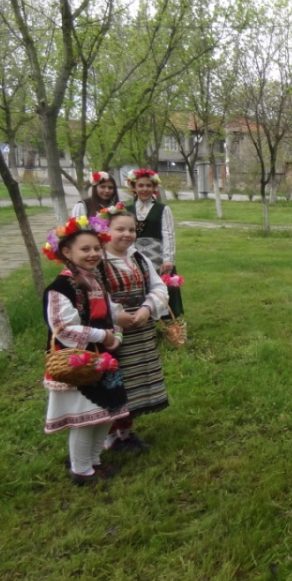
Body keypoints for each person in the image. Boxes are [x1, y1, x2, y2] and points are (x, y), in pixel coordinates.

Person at [41, 216, 128, 485]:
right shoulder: (61, 287)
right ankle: (81, 470)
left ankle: (94, 461)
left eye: (96, 248)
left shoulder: (94, 279)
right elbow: (63, 328)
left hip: (103, 358)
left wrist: (117, 336)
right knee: (85, 419)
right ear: (66, 252)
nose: (93, 254)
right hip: (78, 362)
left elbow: (111, 313)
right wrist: (104, 336)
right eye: (85, 249)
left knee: (106, 412)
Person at [97, 204, 170, 452]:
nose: (127, 235)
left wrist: (146, 308)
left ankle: (126, 434)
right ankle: (108, 438)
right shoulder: (98, 262)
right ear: (106, 230)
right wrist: (116, 314)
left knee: (134, 385)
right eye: (120, 229)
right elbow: (93, 295)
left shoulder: (139, 258)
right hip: (111, 336)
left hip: (140, 331)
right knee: (113, 385)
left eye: (131, 230)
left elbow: (159, 287)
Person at [127, 169, 184, 318]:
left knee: (162, 288)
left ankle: (169, 322)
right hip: (136, 257)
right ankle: (142, 318)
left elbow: (168, 234)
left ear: (154, 188)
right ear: (134, 188)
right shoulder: (127, 210)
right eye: (140, 185)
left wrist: (168, 259)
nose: (144, 189)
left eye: (148, 186)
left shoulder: (162, 209)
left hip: (158, 257)